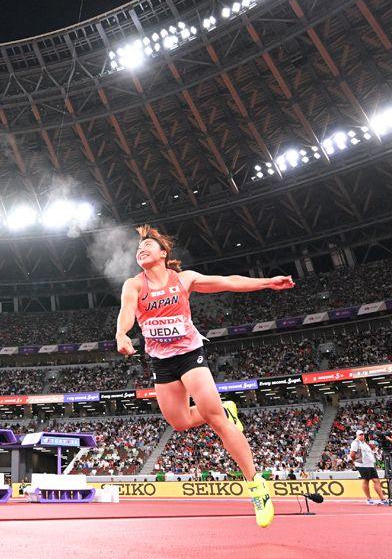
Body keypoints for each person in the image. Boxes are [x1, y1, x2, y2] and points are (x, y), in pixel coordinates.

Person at [115, 225, 294, 528]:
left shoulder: (184, 279)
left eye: (148, 245)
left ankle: (256, 486)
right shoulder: (134, 284)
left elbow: (229, 281)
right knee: (180, 422)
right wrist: (121, 333)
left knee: (214, 418)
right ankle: (225, 408)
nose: (141, 249)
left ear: (163, 253)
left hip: (189, 355)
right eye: (138, 248)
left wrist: (267, 282)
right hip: (161, 361)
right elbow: (126, 311)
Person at [350, 430, 387, 505]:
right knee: (366, 480)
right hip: (362, 464)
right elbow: (352, 454)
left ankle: (382, 498)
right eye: (360, 435)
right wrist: (355, 461)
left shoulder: (364, 443)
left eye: (363, 434)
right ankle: (369, 499)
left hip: (370, 464)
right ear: (357, 435)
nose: (362, 436)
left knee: (376, 480)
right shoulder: (355, 443)